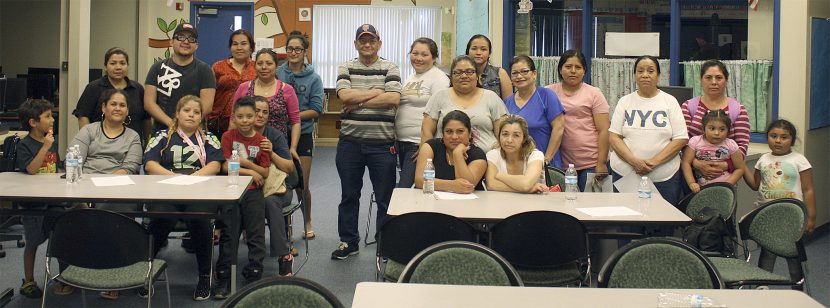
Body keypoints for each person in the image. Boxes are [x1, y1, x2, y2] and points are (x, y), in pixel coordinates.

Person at [332, 23, 401, 260]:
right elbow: (344, 96)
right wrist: (376, 92)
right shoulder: (346, 66)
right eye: (363, 40)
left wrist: (359, 103)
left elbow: (393, 99)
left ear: (379, 43)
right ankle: (348, 242)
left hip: (382, 145)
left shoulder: (390, 66)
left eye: (372, 40)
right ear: (356, 44)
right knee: (349, 195)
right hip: (350, 144)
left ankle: (386, 244)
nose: (367, 44)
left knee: (385, 197)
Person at [143, 95, 223, 300]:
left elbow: (215, 165)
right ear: (177, 114)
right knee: (161, 217)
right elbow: (150, 165)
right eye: (187, 110)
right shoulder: (163, 136)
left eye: (196, 112)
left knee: (199, 218)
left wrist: (192, 180)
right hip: (167, 191)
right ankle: (145, 273)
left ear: (201, 117)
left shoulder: (209, 138)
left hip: (199, 192)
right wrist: (176, 178)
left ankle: (205, 276)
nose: (191, 115)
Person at [742, 119, 816, 286]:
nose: (778, 140)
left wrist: (811, 217)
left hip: (791, 217)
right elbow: (755, 185)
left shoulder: (799, 160)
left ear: (792, 140)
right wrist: (742, 167)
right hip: (767, 215)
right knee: (767, 252)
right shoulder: (763, 159)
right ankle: (762, 287)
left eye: (784, 137)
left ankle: (797, 287)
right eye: (773, 136)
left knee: (792, 253)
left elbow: (808, 189)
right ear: (767, 137)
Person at [609, 56, 688, 207]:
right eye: (640, 71)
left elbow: (680, 138)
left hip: (664, 177)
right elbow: (614, 137)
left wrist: (653, 162)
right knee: (628, 223)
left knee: (662, 223)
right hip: (626, 174)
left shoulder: (670, 101)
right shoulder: (624, 101)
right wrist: (634, 162)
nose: (645, 75)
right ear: (634, 76)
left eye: (650, 71)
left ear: (658, 75)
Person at [212, 96, 271, 299]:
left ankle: (254, 274)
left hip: (253, 192)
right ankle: (223, 277)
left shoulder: (262, 142)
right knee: (229, 233)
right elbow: (226, 166)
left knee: (256, 235)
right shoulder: (228, 137)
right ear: (234, 118)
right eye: (240, 117)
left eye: (249, 116)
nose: (245, 120)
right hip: (232, 189)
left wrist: (249, 167)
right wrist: (251, 172)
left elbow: (264, 173)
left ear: (256, 117)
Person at [15, 99, 72, 298]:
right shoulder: (25, 145)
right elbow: (31, 169)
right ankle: (28, 280)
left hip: (52, 200)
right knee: (32, 242)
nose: (52, 119)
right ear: (33, 122)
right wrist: (45, 147)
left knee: (61, 234)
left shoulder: (51, 141)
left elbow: (54, 169)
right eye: (47, 116)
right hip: (34, 203)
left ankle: (66, 275)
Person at [277, 30, 323, 239]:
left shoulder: (314, 78)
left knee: (301, 183)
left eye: (298, 49)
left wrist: (291, 116)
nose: (293, 52)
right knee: (279, 182)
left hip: (303, 133)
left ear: (305, 51)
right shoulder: (278, 73)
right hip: (276, 134)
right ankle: (284, 228)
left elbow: (316, 109)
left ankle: (307, 221)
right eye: (290, 48)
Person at [547, 49, 611, 191]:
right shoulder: (549, 92)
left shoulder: (594, 94)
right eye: (568, 67)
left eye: (578, 67)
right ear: (560, 69)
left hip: (591, 162)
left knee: (588, 208)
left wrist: (601, 163)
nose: (573, 71)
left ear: (584, 71)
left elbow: (604, 130)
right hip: (559, 164)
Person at [681, 60, 751, 185]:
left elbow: (742, 145)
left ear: (726, 80)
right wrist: (696, 163)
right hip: (692, 179)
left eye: (719, 78)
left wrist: (725, 165)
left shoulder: (738, 109)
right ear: (701, 80)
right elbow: (681, 140)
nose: (714, 82)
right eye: (708, 78)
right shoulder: (688, 107)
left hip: (725, 177)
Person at [395, 37, 450, 188]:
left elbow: (441, 114)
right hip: (402, 142)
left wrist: (426, 145)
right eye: (415, 53)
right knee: (407, 187)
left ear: (434, 58)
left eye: (424, 54)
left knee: (406, 188)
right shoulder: (411, 77)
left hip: (418, 144)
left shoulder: (439, 78)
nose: (418, 58)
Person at [422, 55, 507, 151]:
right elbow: (426, 132)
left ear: (478, 76)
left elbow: (504, 134)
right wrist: (426, 154)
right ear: (451, 77)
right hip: (444, 160)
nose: (463, 76)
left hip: (487, 159)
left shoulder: (491, 97)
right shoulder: (439, 96)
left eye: (469, 72)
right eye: (458, 72)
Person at [251, 95, 295, 277]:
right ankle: (229, 264)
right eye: (256, 111)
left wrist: (272, 153)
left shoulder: (275, 135)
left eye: (265, 112)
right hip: (249, 189)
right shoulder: (238, 135)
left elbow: (289, 167)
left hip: (278, 189)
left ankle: (284, 256)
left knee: (269, 202)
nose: (260, 115)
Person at [144, 22, 216, 132]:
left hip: (194, 132)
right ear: (171, 42)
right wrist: (172, 124)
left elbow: (207, 106)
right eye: (181, 37)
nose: (186, 41)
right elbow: (149, 103)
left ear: (196, 45)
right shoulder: (157, 67)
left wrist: (186, 125)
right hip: (162, 131)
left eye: (191, 38)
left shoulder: (205, 70)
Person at [233, 48, 301, 160]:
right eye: (260, 63)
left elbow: (296, 122)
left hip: (278, 146)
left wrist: (293, 148)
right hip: (246, 146)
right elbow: (233, 119)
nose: (264, 67)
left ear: (276, 66)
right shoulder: (244, 88)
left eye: (269, 63)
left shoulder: (287, 90)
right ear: (255, 66)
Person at [73, 47, 148, 141]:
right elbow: (83, 116)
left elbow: (146, 119)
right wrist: (88, 141)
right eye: (113, 63)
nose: (118, 67)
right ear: (105, 66)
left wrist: (148, 145)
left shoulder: (137, 89)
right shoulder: (93, 87)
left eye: (122, 63)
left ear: (128, 66)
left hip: (132, 144)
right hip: (100, 146)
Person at [504, 55, 564, 168]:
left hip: (546, 164)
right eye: (515, 73)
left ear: (534, 74)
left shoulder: (546, 96)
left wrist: (546, 159)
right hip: (517, 166)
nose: (519, 76)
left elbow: (559, 128)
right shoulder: (507, 102)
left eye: (524, 71)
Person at [414, 110, 487, 193]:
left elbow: (467, 186)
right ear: (442, 134)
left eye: (460, 131)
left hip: (467, 204)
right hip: (433, 201)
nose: (454, 137)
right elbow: (419, 180)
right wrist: (452, 185)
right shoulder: (430, 146)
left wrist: (457, 154)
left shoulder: (478, 154)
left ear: (470, 133)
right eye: (449, 131)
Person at [681, 110, 745, 193]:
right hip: (702, 189)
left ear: (728, 131)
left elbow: (740, 168)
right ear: (703, 128)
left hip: (725, 190)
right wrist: (692, 182)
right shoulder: (695, 142)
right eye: (712, 128)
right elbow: (686, 162)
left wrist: (727, 185)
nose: (717, 133)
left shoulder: (731, 145)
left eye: (722, 129)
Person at [208, 29, 256, 136]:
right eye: (235, 44)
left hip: (248, 124)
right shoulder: (218, 66)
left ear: (251, 47)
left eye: (243, 44)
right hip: (218, 124)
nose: (239, 48)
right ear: (230, 47)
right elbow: (209, 94)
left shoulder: (257, 67)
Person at [484, 114, 547, 194]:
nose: (509, 140)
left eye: (516, 135)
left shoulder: (535, 155)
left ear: (524, 139)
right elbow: (491, 185)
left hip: (533, 204)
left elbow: (525, 184)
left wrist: (499, 175)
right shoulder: (492, 155)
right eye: (505, 134)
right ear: (499, 136)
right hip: (501, 203)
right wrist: (529, 189)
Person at [466, 34, 512, 99]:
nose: (478, 52)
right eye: (474, 48)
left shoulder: (500, 73)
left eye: (483, 49)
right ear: (468, 52)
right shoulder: (462, 75)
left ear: (489, 53)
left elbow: (508, 104)